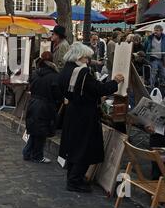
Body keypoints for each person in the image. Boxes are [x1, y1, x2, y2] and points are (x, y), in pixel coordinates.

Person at [58, 42, 124, 193]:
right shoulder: (81, 72)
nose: (88, 61)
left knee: (75, 147)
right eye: (87, 58)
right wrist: (115, 82)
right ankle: (74, 181)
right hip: (84, 114)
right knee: (84, 148)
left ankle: (73, 178)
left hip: (72, 111)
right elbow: (98, 89)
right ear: (80, 57)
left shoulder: (66, 70)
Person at [23, 51, 62, 164]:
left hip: (33, 103)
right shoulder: (54, 76)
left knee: (35, 131)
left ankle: (27, 152)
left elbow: (31, 86)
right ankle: (37, 156)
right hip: (45, 105)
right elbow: (56, 93)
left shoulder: (35, 73)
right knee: (41, 132)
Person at [144, 25, 165, 89]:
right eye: (155, 30)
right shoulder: (150, 38)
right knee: (153, 71)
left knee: (163, 73)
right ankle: (151, 86)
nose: (156, 31)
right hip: (153, 58)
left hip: (162, 58)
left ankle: (163, 86)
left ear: (161, 31)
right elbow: (145, 46)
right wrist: (147, 55)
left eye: (158, 30)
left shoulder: (164, 38)